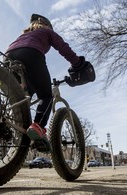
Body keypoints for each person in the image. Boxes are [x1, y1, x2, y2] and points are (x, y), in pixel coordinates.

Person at [5, 14, 88, 152]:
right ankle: (37, 127)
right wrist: (78, 63)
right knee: (45, 95)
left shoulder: (23, 35)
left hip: (8, 57)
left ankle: (17, 126)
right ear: (47, 25)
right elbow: (63, 47)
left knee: (25, 96)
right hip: (30, 54)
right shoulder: (47, 31)